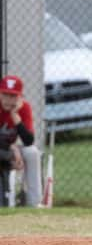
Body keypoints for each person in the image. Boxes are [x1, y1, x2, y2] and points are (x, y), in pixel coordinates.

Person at [0, 75, 42, 207]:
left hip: (10, 150)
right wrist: (12, 148)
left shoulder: (24, 108)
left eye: (13, 96)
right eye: (5, 95)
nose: (8, 100)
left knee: (32, 152)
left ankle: (34, 203)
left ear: (20, 97)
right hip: (6, 150)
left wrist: (15, 116)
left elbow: (29, 141)